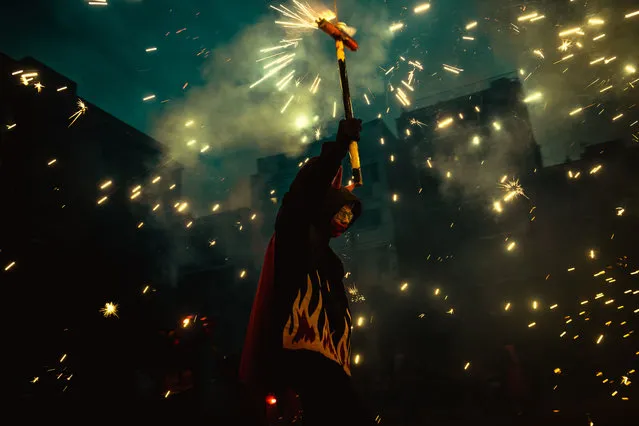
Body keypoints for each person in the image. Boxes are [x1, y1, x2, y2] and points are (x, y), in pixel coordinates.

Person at [239, 118, 374, 425]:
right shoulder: (294, 235)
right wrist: (339, 147)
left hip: (328, 362)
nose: (344, 220)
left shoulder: (330, 262)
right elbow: (304, 194)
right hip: (300, 358)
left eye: (349, 217)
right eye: (340, 210)